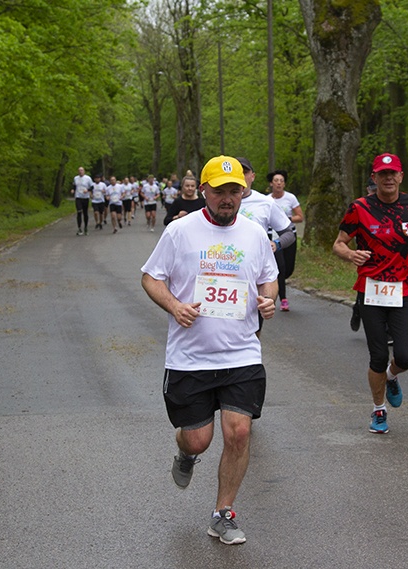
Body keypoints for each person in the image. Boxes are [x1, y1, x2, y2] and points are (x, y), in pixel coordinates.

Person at [141, 155, 278, 546]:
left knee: (238, 433)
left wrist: (267, 301)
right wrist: (175, 306)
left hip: (242, 355)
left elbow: (269, 278)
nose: (227, 199)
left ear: (243, 192)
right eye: (219, 191)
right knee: (198, 439)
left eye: (234, 191)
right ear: (204, 190)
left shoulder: (253, 234)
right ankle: (185, 454)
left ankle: (223, 513)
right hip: (190, 358)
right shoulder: (180, 231)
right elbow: (151, 278)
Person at [332, 153, 408, 435]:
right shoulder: (360, 207)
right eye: (382, 174)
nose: (387, 178)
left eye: (392, 173)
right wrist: (350, 254)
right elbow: (338, 243)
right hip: (370, 289)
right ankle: (378, 410)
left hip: (401, 288)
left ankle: (391, 377)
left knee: (405, 356)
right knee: (376, 355)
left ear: (400, 177)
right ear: (374, 178)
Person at [236, 157, 296, 335]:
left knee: (254, 329)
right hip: (225, 268)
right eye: (236, 172)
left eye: (245, 172)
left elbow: (289, 233)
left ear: (252, 176)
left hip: (255, 273)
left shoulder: (265, 202)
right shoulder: (218, 202)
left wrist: (275, 244)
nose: (241, 176)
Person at [268, 170, 304, 311]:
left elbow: (300, 217)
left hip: (289, 237)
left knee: (288, 269)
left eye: (281, 181)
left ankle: (280, 282)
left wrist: (285, 220)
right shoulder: (266, 200)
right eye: (276, 180)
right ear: (271, 183)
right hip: (273, 239)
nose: (278, 183)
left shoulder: (290, 198)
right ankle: (283, 299)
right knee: (280, 268)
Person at [350, 177, 378, 332]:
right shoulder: (361, 206)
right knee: (367, 286)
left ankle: (388, 330)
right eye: (373, 190)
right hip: (367, 253)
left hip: (389, 255)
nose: (375, 193)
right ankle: (358, 308)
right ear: (368, 190)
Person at [71, 167, 93, 235]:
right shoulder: (76, 178)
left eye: (81, 170)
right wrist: (73, 190)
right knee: (79, 211)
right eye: (79, 170)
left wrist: (88, 190)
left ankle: (86, 228)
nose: (80, 172)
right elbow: (74, 185)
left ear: (84, 171)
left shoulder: (88, 178)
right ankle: (79, 228)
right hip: (78, 197)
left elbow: (92, 187)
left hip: (85, 197)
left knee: (85, 213)